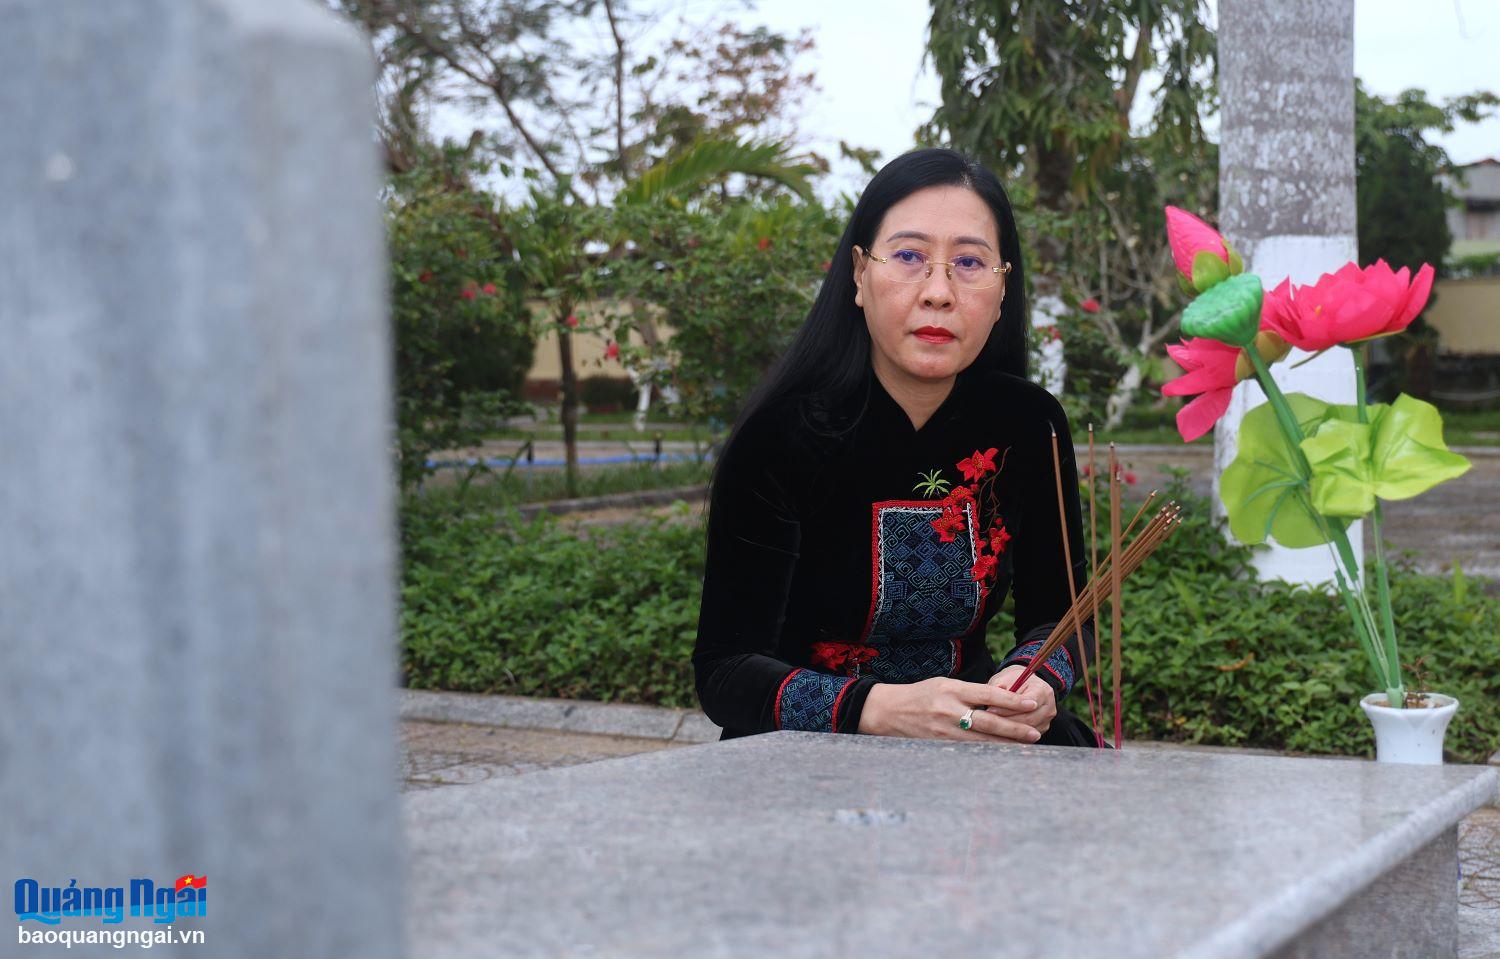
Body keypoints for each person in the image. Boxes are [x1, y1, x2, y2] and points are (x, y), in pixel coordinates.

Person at [691, 147, 1103, 746]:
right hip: (804, 748)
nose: (938, 291)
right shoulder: (779, 438)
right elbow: (725, 672)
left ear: (1003, 288)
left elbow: (1065, 615)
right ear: (860, 275)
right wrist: (880, 710)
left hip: (976, 729)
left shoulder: (1027, 424)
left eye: (969, 263)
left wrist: (1032, 678)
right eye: (909, 256)